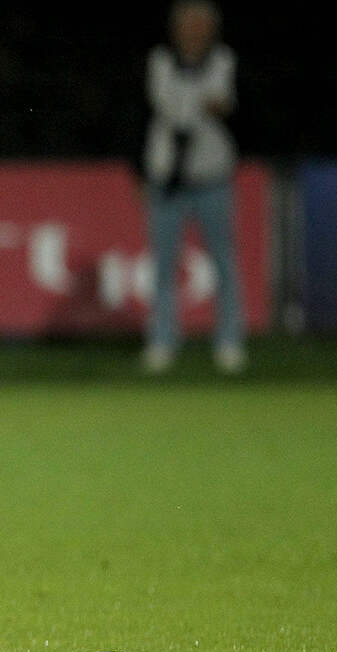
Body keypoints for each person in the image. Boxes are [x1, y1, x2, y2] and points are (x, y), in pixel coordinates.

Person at [140, 0, 246, 374]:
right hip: (168, 177)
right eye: (188, 25)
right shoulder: (161, 60)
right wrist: (197, 98)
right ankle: (163, 341)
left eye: (200, 25)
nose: (194, 32)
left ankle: (229, 342)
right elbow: (166, 103)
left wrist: (200, 98)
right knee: (164, 264)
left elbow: (221, 103)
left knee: (223, 261)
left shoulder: (222, 60)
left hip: (211, 177)